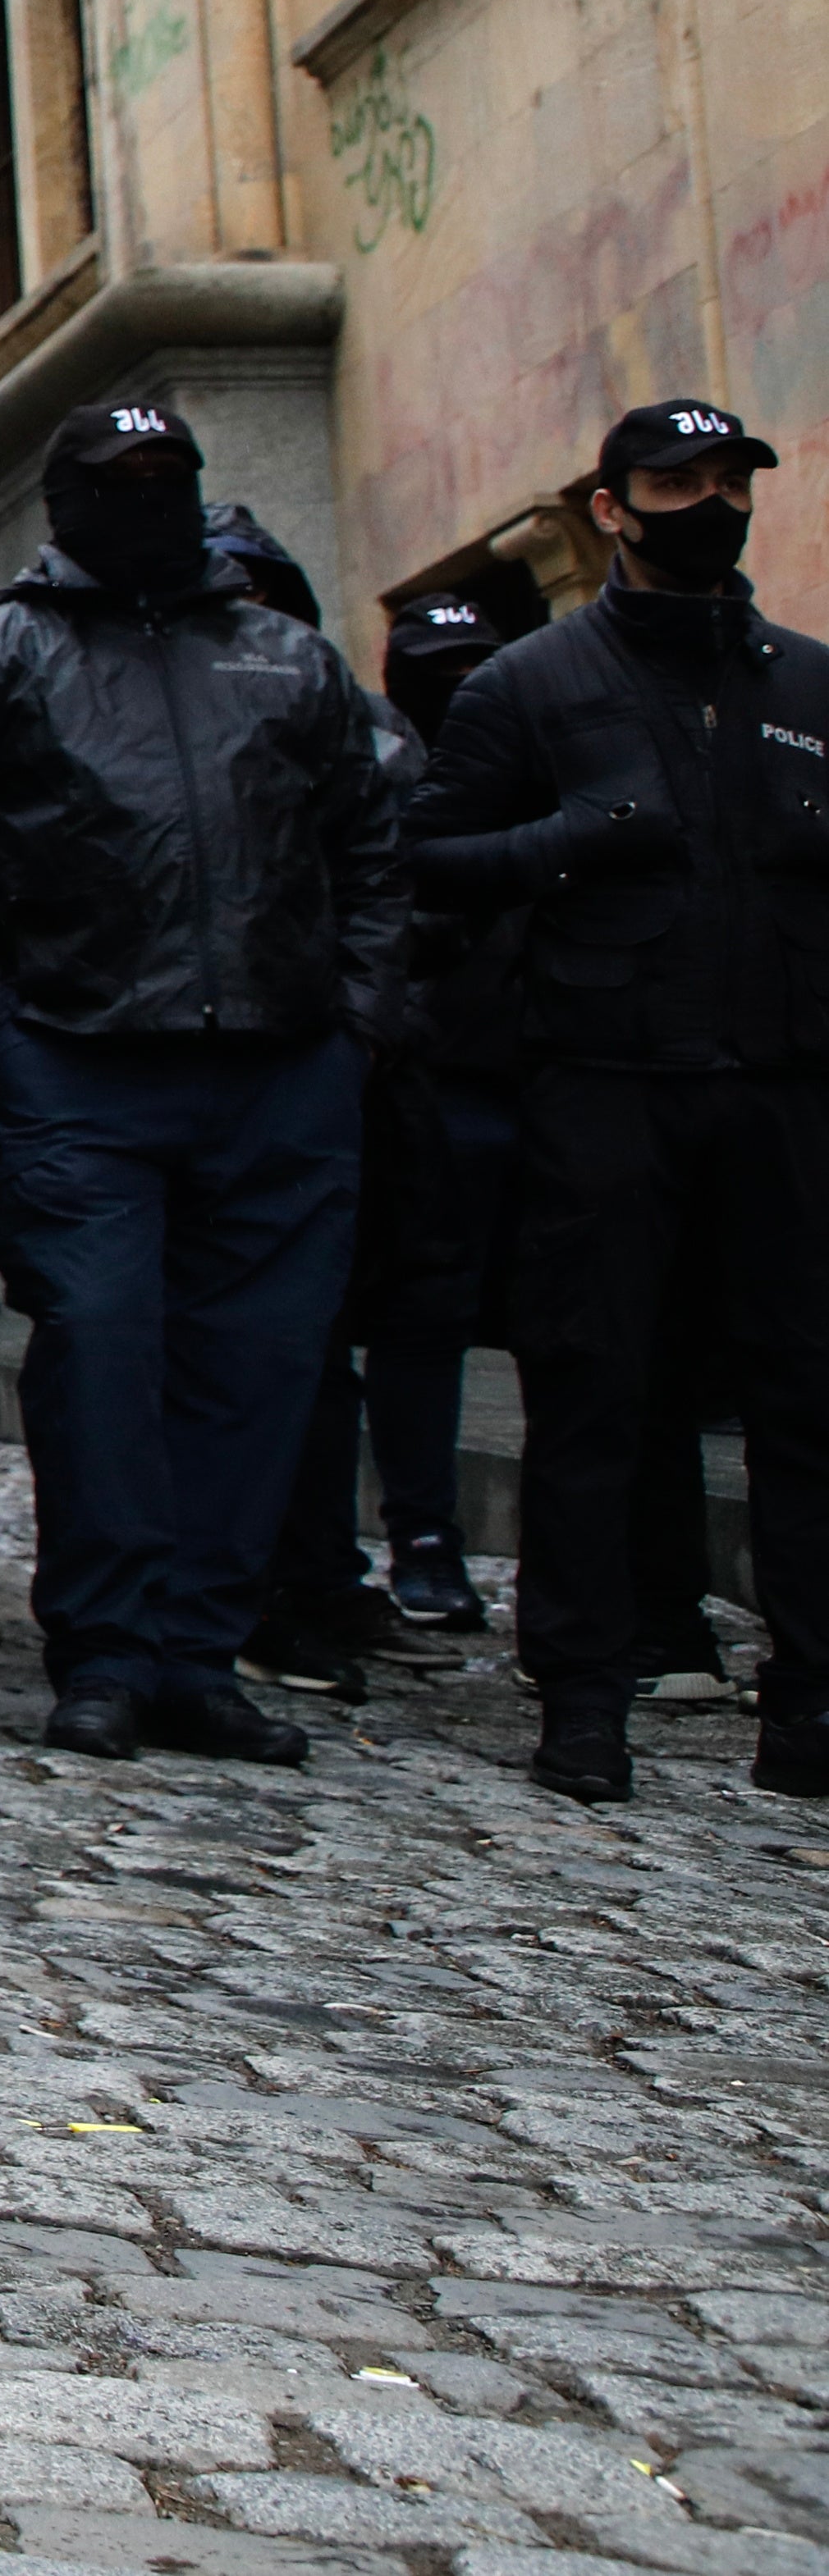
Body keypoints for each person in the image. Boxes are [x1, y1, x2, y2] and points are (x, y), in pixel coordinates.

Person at [0, 397, 405, 1767]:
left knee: (257, 1368)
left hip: (279, 1066)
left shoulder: (286, 658)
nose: (145, 494)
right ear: (65, 498)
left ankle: (199, 1647)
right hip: (78, 1063)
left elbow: (371, 847)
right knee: (100, 1354)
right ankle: (105, 1647)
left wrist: (352, 1020)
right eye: (116, 475)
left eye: (167, 472)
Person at [411, 398, 829, 1806]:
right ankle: (584, 1696)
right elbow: (435, 865)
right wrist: (565, 845)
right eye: (673, 480)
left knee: (806, 1404)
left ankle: (810, 1704)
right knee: (592, 1396)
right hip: (602, 1090)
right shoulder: (527, 685)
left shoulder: (808, 686)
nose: (706, 500)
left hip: (780, 1090)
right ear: (609, 506)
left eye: (726, 478)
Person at [348, 588, 523, 1637]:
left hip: (541, 1072)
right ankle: (418, 1536)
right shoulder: (374, 762)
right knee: (418, 1316)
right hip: (417, 1081)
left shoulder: (541, 756)